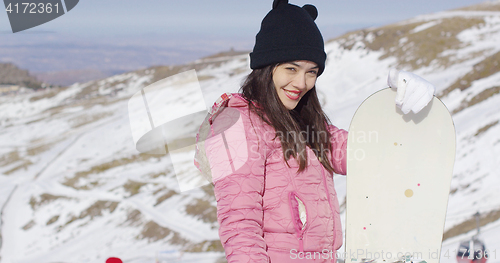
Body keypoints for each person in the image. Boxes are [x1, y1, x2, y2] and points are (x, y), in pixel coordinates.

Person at [194, 0, 435, 262]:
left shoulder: (303, 120)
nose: (301, 83)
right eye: (291, 69)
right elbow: (241, 226)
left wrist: (396, 108)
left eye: (312, 72)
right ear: (265, 67)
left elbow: (364, 154)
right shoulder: (237, 125)